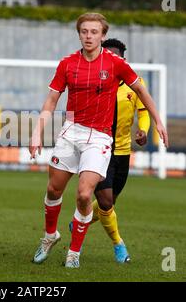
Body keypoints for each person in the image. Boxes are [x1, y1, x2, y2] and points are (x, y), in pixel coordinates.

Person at [29, 13, 168, 269]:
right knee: (52, 190)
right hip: (71, 132)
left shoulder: (115, 63)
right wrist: (38, 131)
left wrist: (157, 120)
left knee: (84, 195)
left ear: (103, 35)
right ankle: (50, 236)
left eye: (94, 32)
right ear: (79, 34)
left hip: (100, 137)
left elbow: (141, 90)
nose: (89, 36)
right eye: (84, 31)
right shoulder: (67, 64)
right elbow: (51, 100)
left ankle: (74, 252)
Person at [68, 38, 151, 263]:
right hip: (97, 148)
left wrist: (143, 130)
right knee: (106, 202)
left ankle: (79, 221)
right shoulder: (96, 82)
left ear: (122, 60)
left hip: (123, 152)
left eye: (116, 58)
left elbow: (143, 111)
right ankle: (118, 245)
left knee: (109, 202)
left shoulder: (136, 84)